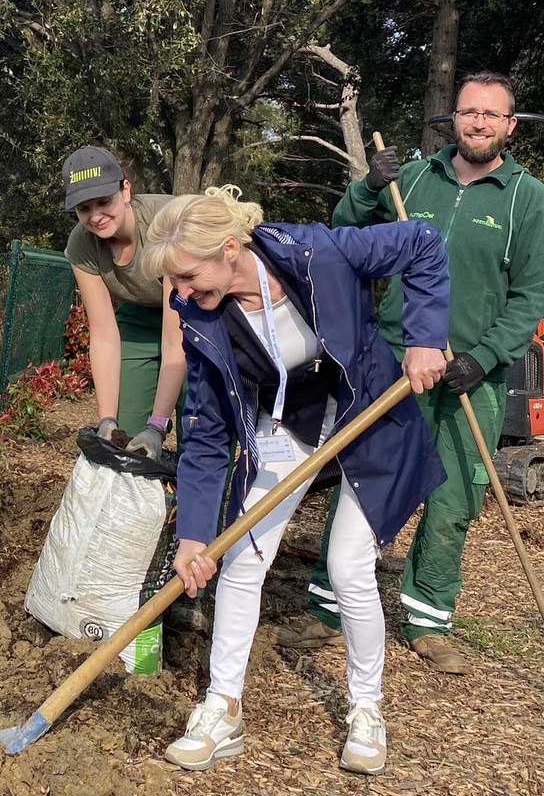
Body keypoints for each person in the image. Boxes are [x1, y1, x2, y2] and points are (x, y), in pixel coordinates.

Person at [141, 186, 450, 775]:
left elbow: (424, 243)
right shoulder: (200, 314)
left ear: (230, 248)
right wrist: (193, 536)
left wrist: (426, 337)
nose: (179, 296)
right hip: (293, 420)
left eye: (186, 277)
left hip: (371, 410)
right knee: (240, 559)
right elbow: (206, 431)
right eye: (172, 284)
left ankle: (366, 709)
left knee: (347, 565)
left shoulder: (319, 252)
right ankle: (222, 707)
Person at [281, 72, 544, 674]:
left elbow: (531, 297)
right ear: (454, 118)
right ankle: (328, 610)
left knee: (453, 500)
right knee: (367, 481)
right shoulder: (416, 178)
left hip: (472, 372)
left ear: (510, 125)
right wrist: (369, 186)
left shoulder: (528, 199)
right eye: (468, 111)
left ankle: (427, 618)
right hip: (393, 361)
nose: (477, 122)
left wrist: (486, 356)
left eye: (491, 114)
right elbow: (347, 231)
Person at [61, 146, 185, 457]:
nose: (96, 217)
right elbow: (103, 332)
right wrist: (107, 419)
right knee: (125, 438)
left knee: (200, 428)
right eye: (84, 208)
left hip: (195, 319)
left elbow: (175, 338)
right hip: (139, 318)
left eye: (104, 202)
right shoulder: (81, 245)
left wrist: (158, 425)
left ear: (125, 189)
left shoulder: (165, 224)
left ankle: (191, 501)